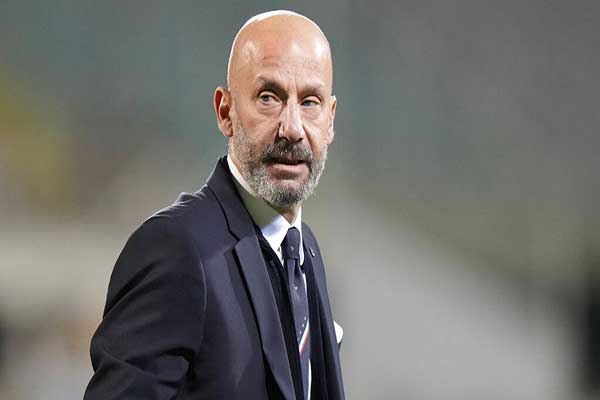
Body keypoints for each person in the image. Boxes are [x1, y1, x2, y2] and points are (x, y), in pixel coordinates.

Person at [84, 10, 344, 400]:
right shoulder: (175, 248)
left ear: (330, 119)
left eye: (309, 102)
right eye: (269, 98)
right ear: (226, 112)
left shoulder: (304, 251)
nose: (292, 128)